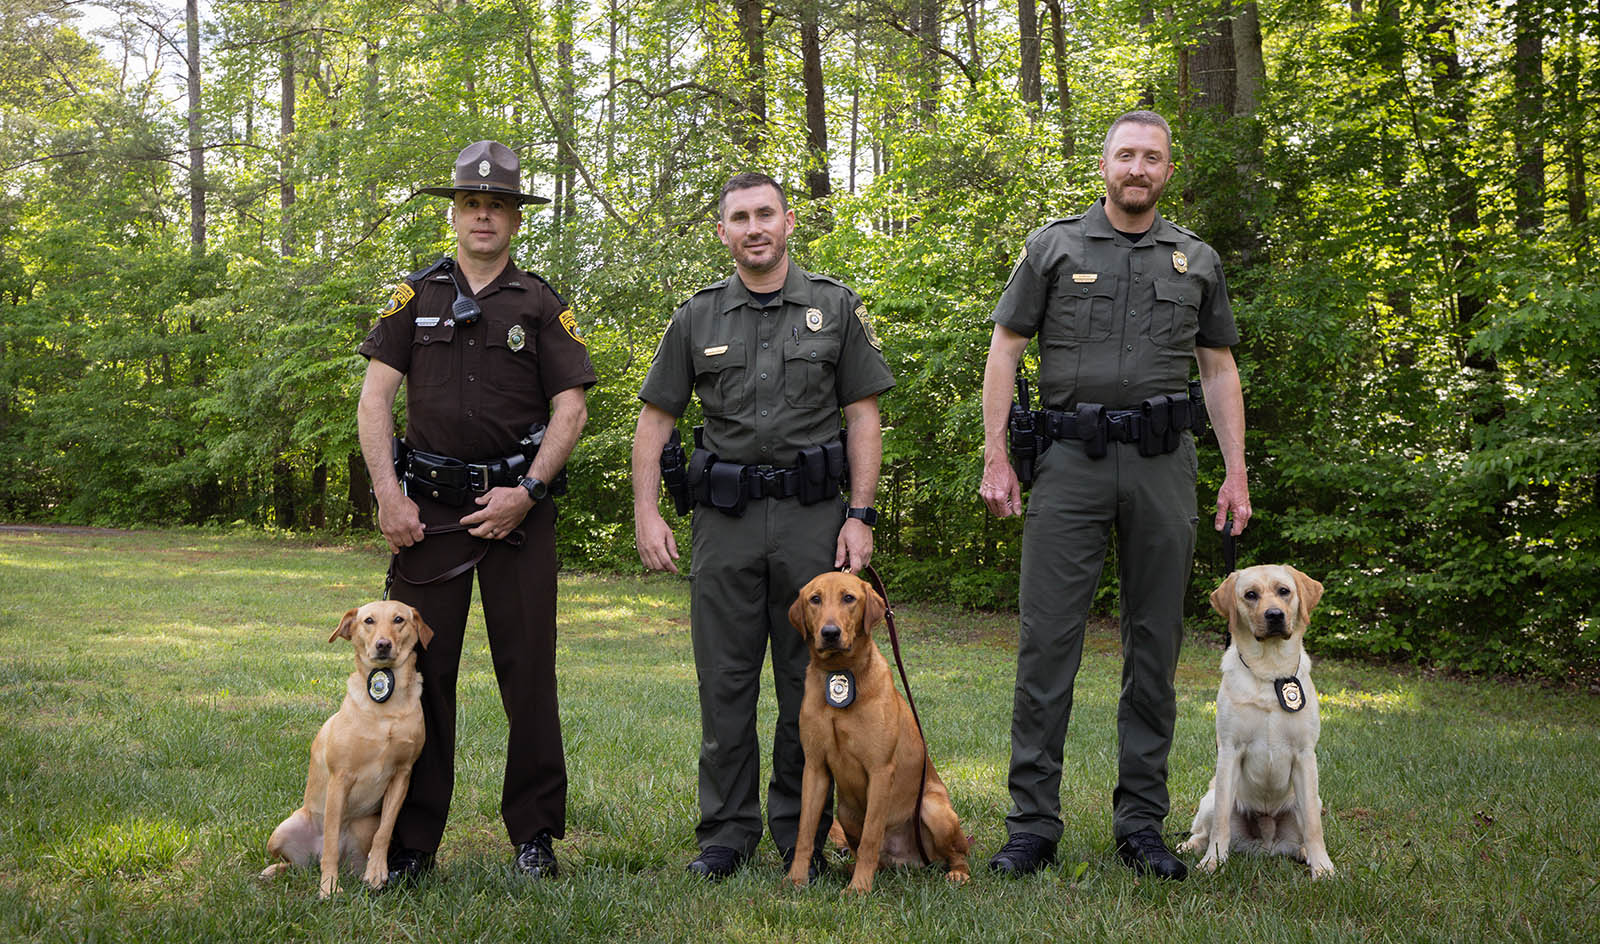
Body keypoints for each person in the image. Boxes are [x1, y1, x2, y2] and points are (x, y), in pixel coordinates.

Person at [978, 111, 1250, 882]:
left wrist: (1236, 471)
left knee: (1154, 646)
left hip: (1164, 464)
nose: (1138, 168)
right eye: (1126, 155)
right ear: (1105, 165)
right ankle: (1032, 826)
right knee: (1047, 646)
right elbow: (1005, 348)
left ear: (1169, 170)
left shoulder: (1195, 259)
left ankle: (1141, 827)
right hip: (1069, 462)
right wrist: (997, 455)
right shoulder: (1054, 246)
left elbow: (1219, 369)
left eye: (1152, 157)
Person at [630, 172, 894, 880]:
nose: (754, 227)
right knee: (724, 679)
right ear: (723, 232)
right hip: (726, 521)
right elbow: (656, 419)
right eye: (739, 217)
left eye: (765, 214)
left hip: (813, 521)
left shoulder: (834, 308)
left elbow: (863, 414)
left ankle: (797, 828)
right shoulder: (696, 316)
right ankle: (725, 832)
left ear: (789, 222)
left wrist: (860, 516)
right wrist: (647, 510)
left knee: (810, 677)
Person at [355, 140, 595, 884]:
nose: (484, 215)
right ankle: (413, 842)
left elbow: (572, 407)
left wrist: (527, 494)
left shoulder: (542, 303)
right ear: (454, 215)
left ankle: (534, 836)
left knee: (529, 676)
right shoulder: (412, 297)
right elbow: (373, 400)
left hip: (518, 515)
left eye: (498, 205)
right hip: (426, 516)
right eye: (472, 203)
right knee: (422, 673)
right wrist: (390, 498)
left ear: (516, 219)